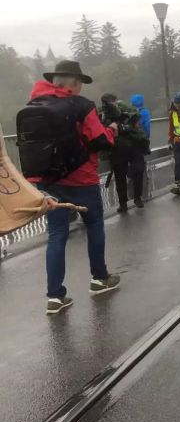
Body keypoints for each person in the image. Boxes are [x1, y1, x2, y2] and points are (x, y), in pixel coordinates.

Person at [18, 60, 120, 314]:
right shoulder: (81, 106)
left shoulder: (33, 104)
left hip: (47, 182)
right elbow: (99, 141)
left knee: (57, 235)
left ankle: (55, 296)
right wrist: (112, 130)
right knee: (94, 225)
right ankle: (99, 279)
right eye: (80, 84)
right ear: (73, 84)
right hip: (81, 180)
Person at [100, 94, 149, 211]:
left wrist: (125, 123)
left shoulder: (125, 108)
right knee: (120, 177)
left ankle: (137, 198)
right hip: (117, 149)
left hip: (132, 146)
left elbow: (136, 117)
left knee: (137, 171)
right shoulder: (103, 114)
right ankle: (123, 203)